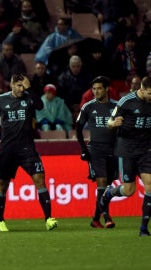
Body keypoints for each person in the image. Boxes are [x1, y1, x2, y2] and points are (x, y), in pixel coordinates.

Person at [0, 74, 58, 232]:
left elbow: (40, 106)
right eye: (19, 86)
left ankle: (49, 219)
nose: (22, 89)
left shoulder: (29, 97)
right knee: (2, 184)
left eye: (24, 86)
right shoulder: (1, 100)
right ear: (12, 85)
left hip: (27, 148)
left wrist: (29, 88)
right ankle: (0, 221)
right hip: (8, 149)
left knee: (40, 179)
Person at [99, 76, 151, 236]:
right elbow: (109, 122)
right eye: (150, 93)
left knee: (150, 185)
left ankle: (143, 228)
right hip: (127, 150)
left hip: (146, 150)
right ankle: (108, 194)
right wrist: (113, 124)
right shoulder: (126, 101)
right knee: (129, 190)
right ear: (141, 90)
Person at [76, 76, 118, 229]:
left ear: (107, 89)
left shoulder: (116, 106)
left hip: (113, 150)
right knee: (101, 182)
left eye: (99, 88)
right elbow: (78, 129)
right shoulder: (88, 107)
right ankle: (107, 217)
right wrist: (83, 149)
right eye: (94, 89)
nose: (96, 91)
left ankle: (95, 218)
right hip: (96, 150)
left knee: (106, 186)